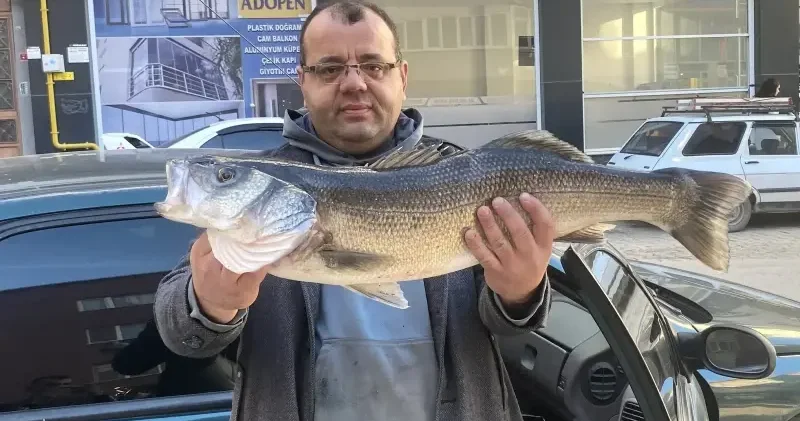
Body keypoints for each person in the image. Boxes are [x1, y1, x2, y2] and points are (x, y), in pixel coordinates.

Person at [153, 1, 554, 420]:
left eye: (373, 65)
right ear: (302, 82)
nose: (354, 83)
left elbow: (512, 329)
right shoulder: (266, 185)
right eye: (329, 69)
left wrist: (521, 293)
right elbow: (179, 331)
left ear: (402, 77)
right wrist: (210, 305)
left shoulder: (465, 174)